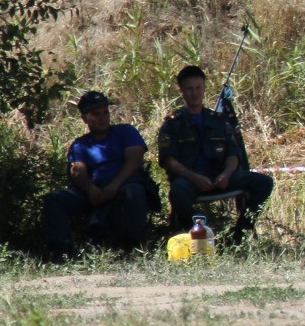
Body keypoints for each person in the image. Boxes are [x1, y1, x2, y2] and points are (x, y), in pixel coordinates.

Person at [156, 64, 274, 239]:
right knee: (177, 192)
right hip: (190, 179)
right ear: (181, 91)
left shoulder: (217, 120)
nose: (195, 93)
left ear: (204, 89)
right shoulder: (172, 124)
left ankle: (239, 235)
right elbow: (168, 161)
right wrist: (194, 178)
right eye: (189, 89)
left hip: (220, 177)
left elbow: (233, 153)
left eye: (198, 88)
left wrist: (226, 174)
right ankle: (199, 238)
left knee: (264, 182)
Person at [42, 91, 155, 259]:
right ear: (85, 118)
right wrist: (90, 189)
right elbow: (77, 170)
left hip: (123, 184)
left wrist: (114, 185)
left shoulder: (126, 131)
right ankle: (62, 253)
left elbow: (134, 161)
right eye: (96, 114)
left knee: (134, 190)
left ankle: (134, 248)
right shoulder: (80, 145)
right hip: (94, 190)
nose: (103, 118)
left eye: (105, 112)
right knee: (54, 200)